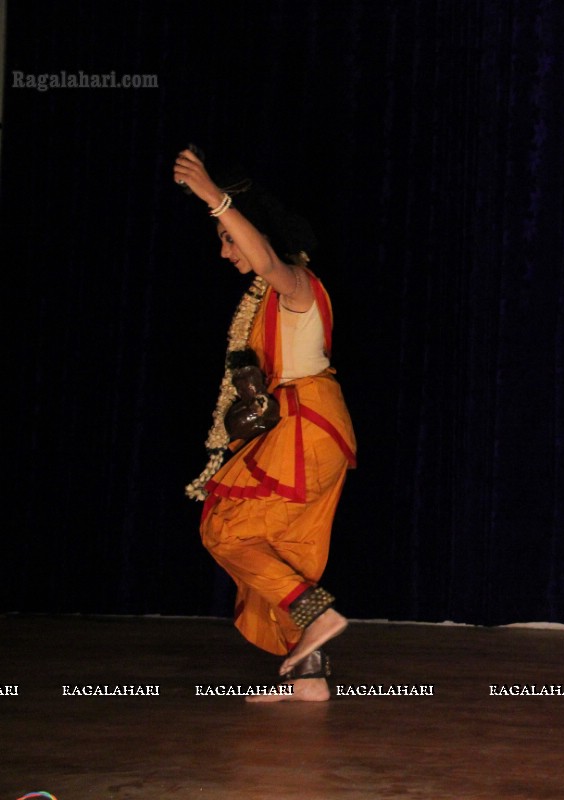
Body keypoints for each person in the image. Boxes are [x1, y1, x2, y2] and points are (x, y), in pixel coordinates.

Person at [174, 149, 357, 702]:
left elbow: (265, 260)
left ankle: (320, 618)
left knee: (225, 531)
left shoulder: (295, 283)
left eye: (229, 239)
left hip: (307, 427)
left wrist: (215, 198)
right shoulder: (266, 306)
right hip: (312, 429)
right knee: (284, 555)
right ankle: (309, 677)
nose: (226, 252)